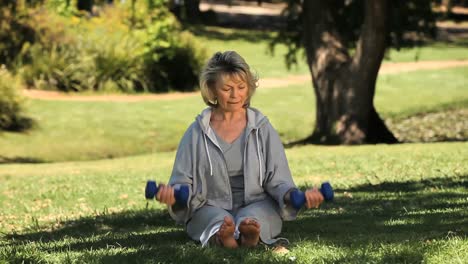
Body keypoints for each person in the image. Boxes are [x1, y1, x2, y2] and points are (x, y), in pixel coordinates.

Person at [156, 51, 324, 248]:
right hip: (209, 206)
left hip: (258, 203)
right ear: (212, 89)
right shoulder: (196, 132)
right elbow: (182, 182)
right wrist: (173, 194)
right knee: (217, 221)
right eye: (227, 88)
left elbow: (279, 181)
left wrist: (297, 197)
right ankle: (226, 237)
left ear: (249, 88)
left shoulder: (262, 128)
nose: (235, 95)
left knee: (252, 218)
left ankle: (248, 235)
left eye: (241, 87)